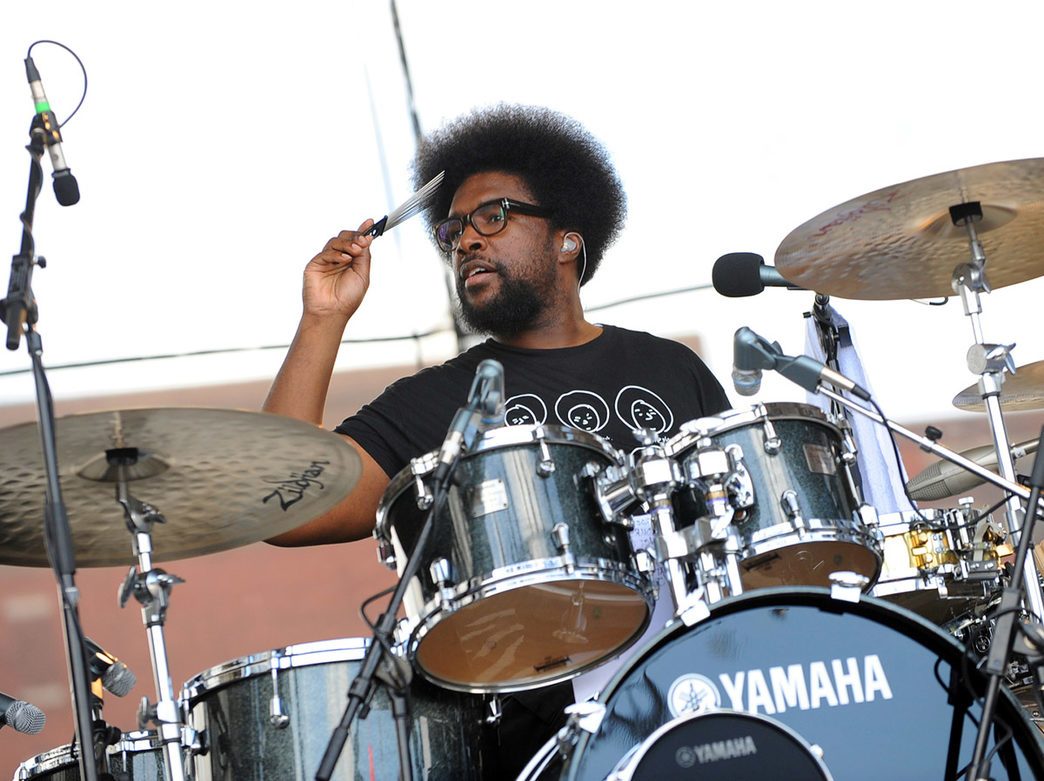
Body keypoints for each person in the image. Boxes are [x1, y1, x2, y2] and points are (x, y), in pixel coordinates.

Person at [263, 103, 730, 778]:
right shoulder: (440, 401)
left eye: (494, 216)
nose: (466, 241)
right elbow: (286, 504)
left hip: (705, 708)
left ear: (568, 240)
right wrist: (322, 317)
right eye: (454, 229)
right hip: (541, 748)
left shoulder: (671, 370)